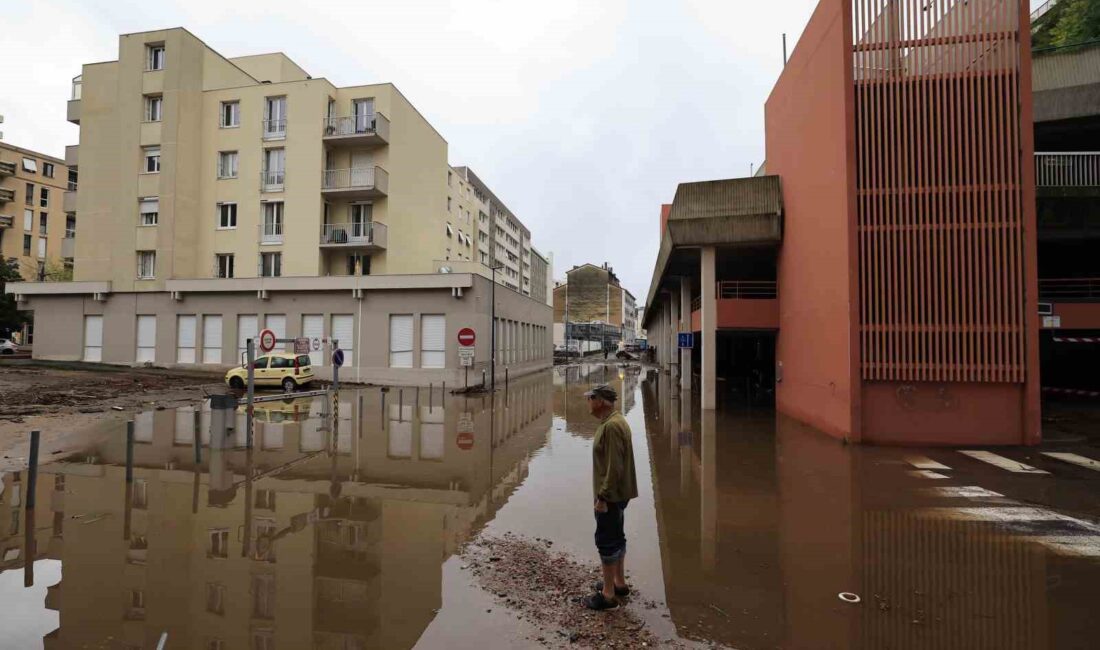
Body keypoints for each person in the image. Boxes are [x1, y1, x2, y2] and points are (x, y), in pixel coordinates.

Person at [582, 383, 638, 611]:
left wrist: (602, 497)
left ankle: (607, 595)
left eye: (590, 398)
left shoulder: (612, 427)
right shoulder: (614, 421)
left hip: (611, 496)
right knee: (617, 536)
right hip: (617, 493)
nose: (588, 402)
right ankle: (618, 583)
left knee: (606, 540)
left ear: (601, 402)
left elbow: (614, 467)